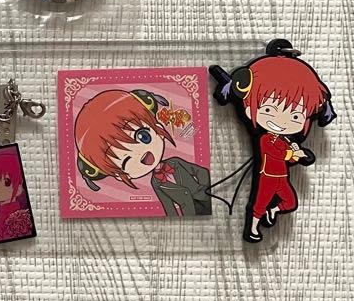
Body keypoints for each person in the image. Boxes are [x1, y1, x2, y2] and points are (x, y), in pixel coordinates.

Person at [211, 40, 334, 243]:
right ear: (249, 109)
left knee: (290, 202)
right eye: (268, 109)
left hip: (282, 177)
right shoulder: (266, 138)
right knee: (258, 204)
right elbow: (276, 153)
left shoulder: (286, 139)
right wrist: (293, 153)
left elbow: (289, 158)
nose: (282, 121)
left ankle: (274, 210)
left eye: (296, 115)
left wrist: (297, 155)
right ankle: (253, 228)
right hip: (267, 176)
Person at [74, 89, 212, 216]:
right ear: (118, 175)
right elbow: (167, 206)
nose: (141, 155)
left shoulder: (175, 162)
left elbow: (201, 171)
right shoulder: (156, 183)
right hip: (190, 213)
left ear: (158, 128)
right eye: (127, 160)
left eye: (143, 136)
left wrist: (205, 189)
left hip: (207, 198)